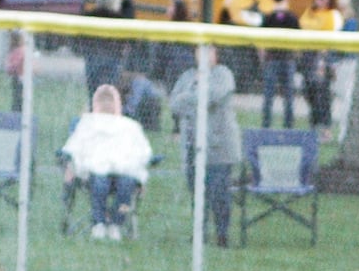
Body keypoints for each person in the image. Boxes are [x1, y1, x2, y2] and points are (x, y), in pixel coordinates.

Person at [61, 84, 152, 242]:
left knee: (126, 185)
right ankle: (99, 223)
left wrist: (140, 171)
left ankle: (116, 223)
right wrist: (71, 166)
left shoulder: (129, 127)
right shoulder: (87, 124)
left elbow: (142, 152)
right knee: (100, 184)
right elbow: (74, 148)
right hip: (94, 173)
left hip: (124, 172)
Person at [170, 46, 241, 248]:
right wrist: (194, 94)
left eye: (208, 51)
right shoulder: (187, 76)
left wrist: (190, 96)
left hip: (219, 148)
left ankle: (222, 235)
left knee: (219, 194)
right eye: (199, 51)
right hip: (192, 145)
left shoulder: (223, 74)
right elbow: (175, 104)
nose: (202, 55)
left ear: (216, 54)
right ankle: (199, 234)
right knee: (196, 193)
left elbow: (213, 96)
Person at [299, 0, 345, 131]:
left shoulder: (332, 14)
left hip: (323, 55)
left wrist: (324, 61)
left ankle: (325, 127)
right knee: (308, 90)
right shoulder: (310, 12)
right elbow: (303, 26)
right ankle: (313, 125)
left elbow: (332, 37)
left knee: (322, 92)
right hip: (307, 55)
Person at [258, 0, 301, 128]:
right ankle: (289, 125)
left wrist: (262, 56)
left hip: (272, 59)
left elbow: (261, 40)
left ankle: (266, 125)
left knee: (268, 95)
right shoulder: (292, 17)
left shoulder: (268, 17)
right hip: (287, 59)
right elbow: (298, 40)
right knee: (288, 95)